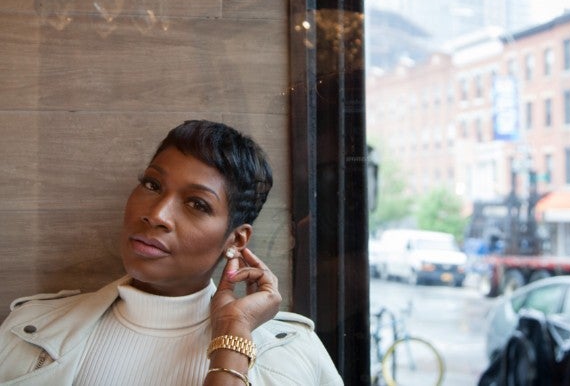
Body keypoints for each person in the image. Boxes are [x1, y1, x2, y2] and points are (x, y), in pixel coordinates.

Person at [0, 120, 343, 385]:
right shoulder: (26, 332)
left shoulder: (294, 355)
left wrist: (233, 334)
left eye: (197, 204)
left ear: (236, 240)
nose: (157, 215)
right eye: (152, 185)